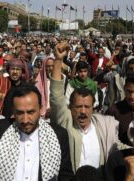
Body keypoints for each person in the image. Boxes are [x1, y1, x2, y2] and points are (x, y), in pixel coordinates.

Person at [0, 85, 74, 181]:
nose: (25, 120)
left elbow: (65, 175)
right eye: (20, 113)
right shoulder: (0, 130)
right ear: (13, 111)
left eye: (31, 112)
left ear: (40, 108)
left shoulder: (58, 135)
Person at [50, 41, 119, 172]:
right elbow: (56, 97)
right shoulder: (67, 123)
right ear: (70, 107)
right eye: (78, 107)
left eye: (87, 107)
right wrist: (58, 60)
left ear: (93, 107)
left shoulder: (102, 126)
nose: (83, 111)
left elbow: (118, 146)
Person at [105, 71, 134, 145]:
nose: (132, 96)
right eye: (129, 91)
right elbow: (108, 140)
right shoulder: (113, 111)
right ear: (124, 88)